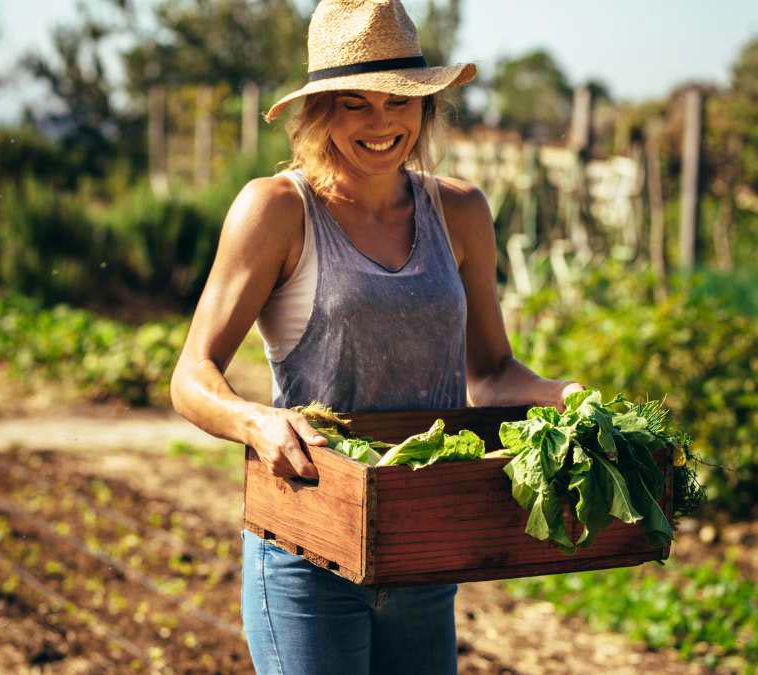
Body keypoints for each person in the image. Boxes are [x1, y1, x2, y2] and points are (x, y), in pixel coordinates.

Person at [170, 1, 584, 672]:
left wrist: (570, 397)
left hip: (422, 542)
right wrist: (257, 422)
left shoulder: (461, 211)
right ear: (320, 111)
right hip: (308, 546)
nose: (382, 123)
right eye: (355, 104)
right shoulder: (278, 209)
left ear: (427, 106)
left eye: (400, 100)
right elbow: (191, 375)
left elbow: (492, 372)